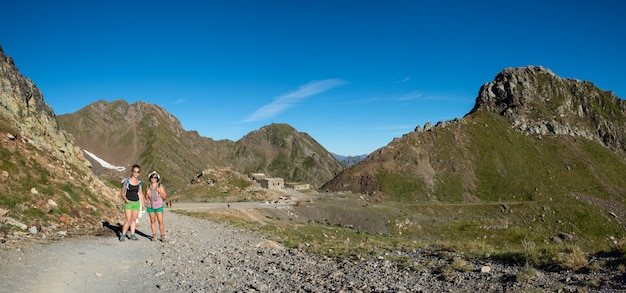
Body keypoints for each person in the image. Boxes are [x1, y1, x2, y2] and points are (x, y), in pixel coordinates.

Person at [120, 164, 144, 241]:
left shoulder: (139, 182)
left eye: (138, 172)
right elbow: (122, 192)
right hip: (129, 203)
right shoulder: (127, 181)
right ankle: (123, 234)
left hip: (136, 202)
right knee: (128, 219)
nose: (136, 173)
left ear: (139, 173)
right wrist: (126, 200)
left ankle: (132, 235)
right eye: (134, 171)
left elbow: (140, 193)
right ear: (132, 172)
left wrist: (142, 204)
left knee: (134, 219)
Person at [145, 171, 167, 242]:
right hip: (150, 205)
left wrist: (159, 191)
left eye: (155, 177)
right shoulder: (148, 186)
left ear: (157, 179)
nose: (153, 178)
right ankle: (154, 235)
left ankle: (162, 235)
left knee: (160, 221)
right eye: (152, 177)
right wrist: (147, 193)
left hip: (159, 206)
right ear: (150, 178)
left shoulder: (160, 186)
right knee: (152, 221)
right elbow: (146, 197)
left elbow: (164, 196)